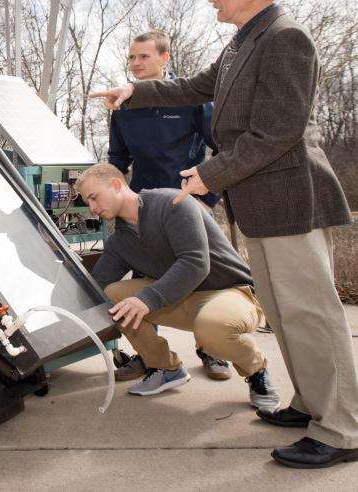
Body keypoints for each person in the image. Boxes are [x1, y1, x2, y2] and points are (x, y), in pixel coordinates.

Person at [91, 0, 357, 469]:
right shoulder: (243, 42)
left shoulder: (284, 37)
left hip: (291, 199)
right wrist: (134, 90)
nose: (210, 1)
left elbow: (277, 133)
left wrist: (210, 175)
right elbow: (195, 87)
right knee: (286, 315)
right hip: (259, 207)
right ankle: (313, 405)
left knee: (311, 315)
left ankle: (342, 427)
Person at [75, 164, 278, 411]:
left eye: (94, 197)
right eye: (88, 202)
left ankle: (257, 370)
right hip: (181, 300)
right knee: (112, 295)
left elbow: (195, 263)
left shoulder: (173, 203)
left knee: (212, 330)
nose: (92, 208)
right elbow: (98, 284)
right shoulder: (121, 240)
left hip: (229, 291)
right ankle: (164, 367)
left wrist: (147, 298)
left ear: (116, 185)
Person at [108, 30, 227, 382]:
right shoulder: (123, 106)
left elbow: (221, 150)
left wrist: (207, 199)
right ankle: (151, 356)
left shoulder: (192, 99)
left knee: (203, 275)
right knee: (144, 280)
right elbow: (118, 159)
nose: (136, 63)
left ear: (165, 58)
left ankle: (213, 350)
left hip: (189, 205)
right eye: (131, 57)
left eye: (144, 56)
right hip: (142, 210)